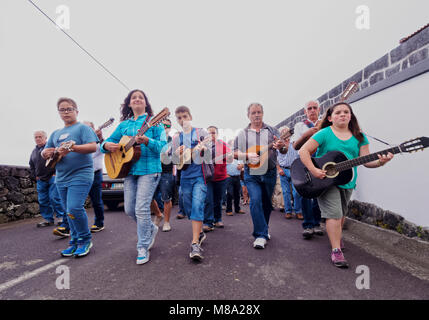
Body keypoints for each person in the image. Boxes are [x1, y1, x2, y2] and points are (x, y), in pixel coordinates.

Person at [299, 102, 393, 268]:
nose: (342, 114)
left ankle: (336, 236)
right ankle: (336, 250)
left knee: (342, 214)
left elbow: (367, 161)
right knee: (334, 214)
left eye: (346, 112)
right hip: (325, 180)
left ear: (351, 116)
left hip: (348, 180)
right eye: (338, 112)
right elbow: (303, 151)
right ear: (330, 117)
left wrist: (381, 162)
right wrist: (314, 170)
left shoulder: (359, 137)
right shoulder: (324, 133)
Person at [101, 89, 167, 265]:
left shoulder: (155, 124)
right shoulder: (123, 125)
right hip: (128, 171)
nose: (137, 99)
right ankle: (150, 228)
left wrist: (147, 141)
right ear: (129, 104)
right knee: (129, 210)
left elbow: (163, 148)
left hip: (150, 169)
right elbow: (104, 144)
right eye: (133, 98)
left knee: (141, 208)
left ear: (146, 103)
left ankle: (142, 246)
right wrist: (107, 145)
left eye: (141, 97)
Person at [41, 98, 98, 258]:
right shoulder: (55, 134)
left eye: (69, 109)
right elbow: (45, 152)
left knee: (74, 208)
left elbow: (93, 146)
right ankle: (74, 241)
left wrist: (73, 148)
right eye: (62, 109)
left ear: (76, 111)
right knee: (68, 211)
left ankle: (85, 240)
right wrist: (45, 153)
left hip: (81, 174)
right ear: (59, 113)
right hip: (61, 177)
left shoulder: (83, 129)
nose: (66, 112)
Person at [233, 103, 286, 249]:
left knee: (266, 203)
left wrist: (281, 146)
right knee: (255, 201)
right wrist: (246, 155)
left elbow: (283, 150)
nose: (256, 115)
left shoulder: (272, 130)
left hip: (269, 172)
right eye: (253, 112)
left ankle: (264, 228)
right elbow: (234, 153)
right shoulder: (243, 134)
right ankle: (260, 235)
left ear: (263, 113)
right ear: (248, 115)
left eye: (259, 112)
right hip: (251, 173)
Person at [172, 105, 209, 261]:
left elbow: (208, 152)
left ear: (190, 117)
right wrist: (176, 153)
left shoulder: (201, 132)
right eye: (179, 118)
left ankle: (195, 244)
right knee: (188, 208)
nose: (182, 120)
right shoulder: (176, 137)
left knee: (197, 205)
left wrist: (201, 148)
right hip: (185, 178)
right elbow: (173, 161)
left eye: (185, 116)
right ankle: (199, 232)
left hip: (200, 176)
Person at [291, 101, 323, 239]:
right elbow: (295, 146)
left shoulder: (325, 123)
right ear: (305, 111)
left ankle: (317, 223)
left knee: (320, 193)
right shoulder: (300, 126)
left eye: (314, 108)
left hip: (321, 161)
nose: (312, 110)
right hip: (305, 161)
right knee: (306, 193)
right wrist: (307, 134)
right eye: (309, 108)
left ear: (319, 109)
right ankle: (308, 225)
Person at [29, 130, 66, 228]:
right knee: (42, 200)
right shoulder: (34, 151)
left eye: (40, 136)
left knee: (54, 198)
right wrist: (35, 176)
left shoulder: (50, 148)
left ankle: (61, 217)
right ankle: (48, 219)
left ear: (45, 138)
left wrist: (56, 173)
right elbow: (31, 165)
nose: (38, 139)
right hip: (40, 179)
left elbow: (59, 160)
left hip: (53, 177)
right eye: (36, 137)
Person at [203, 126, 231, 231]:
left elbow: (230, 155)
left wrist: (228, 156)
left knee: (218, 200)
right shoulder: (203, 146)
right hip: (208, 178)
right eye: (209, 133)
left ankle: (217, 219)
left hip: (221, 177)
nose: (211, 135)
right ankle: (208, 222)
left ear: (217, 134)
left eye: (213, 133)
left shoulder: (223, 145)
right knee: (208, 200)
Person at [152, 118, 175, 232]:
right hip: (153, 170)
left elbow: (176, 158)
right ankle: (158, 214)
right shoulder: (154, 138)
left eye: (168, 126)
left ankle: (166, 222)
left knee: (166, 198)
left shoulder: (173, 141)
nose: (165, 128)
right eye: (163, 125)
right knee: (149, 196)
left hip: (166, 171)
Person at [276, 126, 302, 219]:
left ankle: (298, 211)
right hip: (283, 170)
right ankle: (288, 211)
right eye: (283, 132)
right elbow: (275, 159)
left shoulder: (295, 143)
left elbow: (299, 156)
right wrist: (279, 169)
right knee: (286, 192)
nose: (285, 133)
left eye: (286, 131)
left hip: (295, 170)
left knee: (296, 192)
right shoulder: (278, 145)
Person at [225, 140, 245, 216]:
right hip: (229, 177)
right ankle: (229, 210)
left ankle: (237, 209)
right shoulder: (227, 156)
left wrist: (242, 166)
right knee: (230, 193)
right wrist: (226, 174)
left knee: (237, 194)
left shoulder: (239, 157)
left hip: (237, 177)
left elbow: (243, 164)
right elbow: (223, 165)